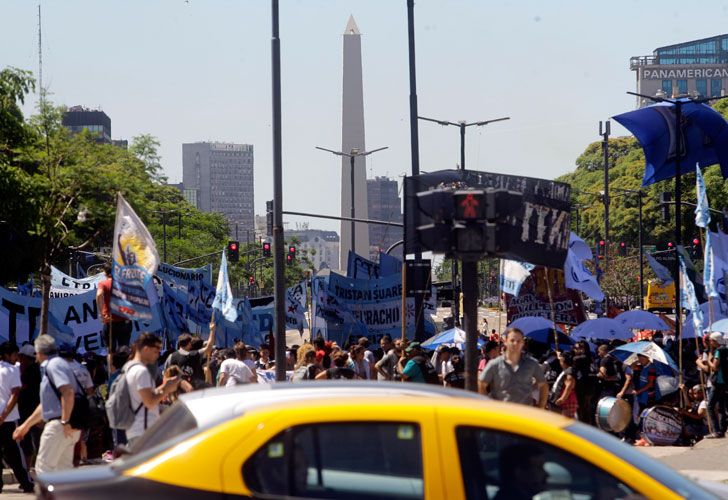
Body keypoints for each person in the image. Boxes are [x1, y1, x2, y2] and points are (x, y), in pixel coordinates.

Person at [13, 335, 82, 474]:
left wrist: (65, 421)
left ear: (39, 352)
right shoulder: (57, 365)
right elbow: (45, 405)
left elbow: (67, 392)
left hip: (59, 425)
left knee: (44, 469)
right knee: (63, 471)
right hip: (66, 424)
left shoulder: (53, 365)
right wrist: (26, 426)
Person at [125, 333, 180, 447]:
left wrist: (163, 388)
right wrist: (166, 388)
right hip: (143, 430)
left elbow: (143, 397)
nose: (158, 355)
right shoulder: (141, 371)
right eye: (156, 351)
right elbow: (149, 401)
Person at [478, 328, 548, 408]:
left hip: (524, 415)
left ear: (522, 343)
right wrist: (489, 404)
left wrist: (541, 406)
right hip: (501, 414)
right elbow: (481, 384)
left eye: (518, 341)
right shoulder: (495, 364)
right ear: (505, 342)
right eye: (512, 340)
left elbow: (544, 385)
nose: (515, 343)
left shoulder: (531, 364)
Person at [0, 343, 34, 492]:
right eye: (15, 354)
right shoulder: (12, 370)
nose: (16, 358)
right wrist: (4, 414)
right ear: (8, 355)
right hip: (7, 419)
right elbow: (15, 394)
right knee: (14, 453)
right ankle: (26, 482)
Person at [164, 324, 215, 389]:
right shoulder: (194, 354)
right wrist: (212, 330)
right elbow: (209, 347)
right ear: (189, 344)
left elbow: (165, 374)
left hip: (175, 392)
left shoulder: (171, 357)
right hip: (191, 392)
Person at [96, 263, 133, 353]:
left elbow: (99, 295)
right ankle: (123, 366)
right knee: (124, 350)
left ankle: (111, 366)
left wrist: (102, 314)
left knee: (110, 351)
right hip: (125, 320)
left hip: (110, 320)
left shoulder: (103, 283)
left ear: (105, 273)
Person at [17, 343, 41, 469]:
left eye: (21, 357)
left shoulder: (29, 372)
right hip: (36, 411)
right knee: (36, 441)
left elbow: (21, 389)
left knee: (28, 442)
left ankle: (30, 467)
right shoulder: (39, 370)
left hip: (29, 412)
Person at [702, 332, 727, 438]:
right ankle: (722, 430)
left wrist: (708, 360)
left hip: (718, 381)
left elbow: (715, 367)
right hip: (725, 382)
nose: (710, 342)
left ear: (715, 341)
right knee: (721, 407)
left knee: (710, 406)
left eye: (711, 340)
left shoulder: (718, 351)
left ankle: (716, 431)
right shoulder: (726, 349)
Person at [550, 351, 578, 418]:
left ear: (563, 360)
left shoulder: (569, 372)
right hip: (563, 402)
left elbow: (569, 385)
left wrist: (562, 398)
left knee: (565, 422)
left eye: (560, 360)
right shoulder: (566, 370)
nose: (559, 361)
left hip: (566, 402)